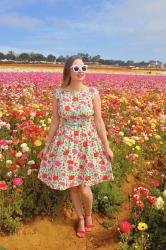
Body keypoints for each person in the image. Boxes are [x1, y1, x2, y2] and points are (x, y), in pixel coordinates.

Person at [37, 55, 114, 238]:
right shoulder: (59, 93)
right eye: (76, 68)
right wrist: (47, 146)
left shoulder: (92, 92)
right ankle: (80, 218)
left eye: (83, 68)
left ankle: (88, 214)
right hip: (65, 142)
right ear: (68, 71)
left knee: (85, 188)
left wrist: (106, 146)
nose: (81, 72)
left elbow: (99, 121)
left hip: (87, 142)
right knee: (73, 185)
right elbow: (55, 121)